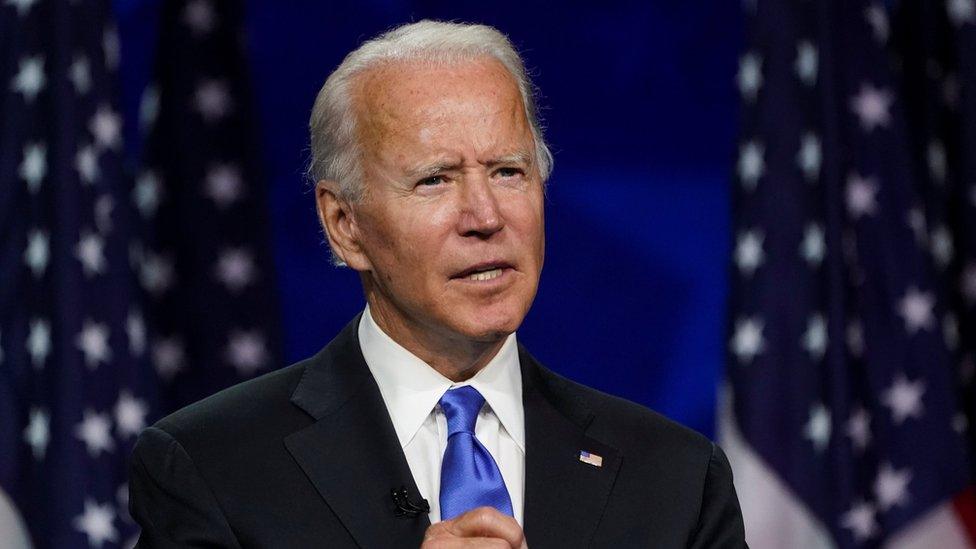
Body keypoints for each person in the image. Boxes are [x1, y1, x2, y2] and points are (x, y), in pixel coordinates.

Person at [128, 20, 747, 548]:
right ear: (345, 226)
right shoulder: (212, 468)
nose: (485, 217)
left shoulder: (676, 481)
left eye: (508, 171)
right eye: (435, 180)